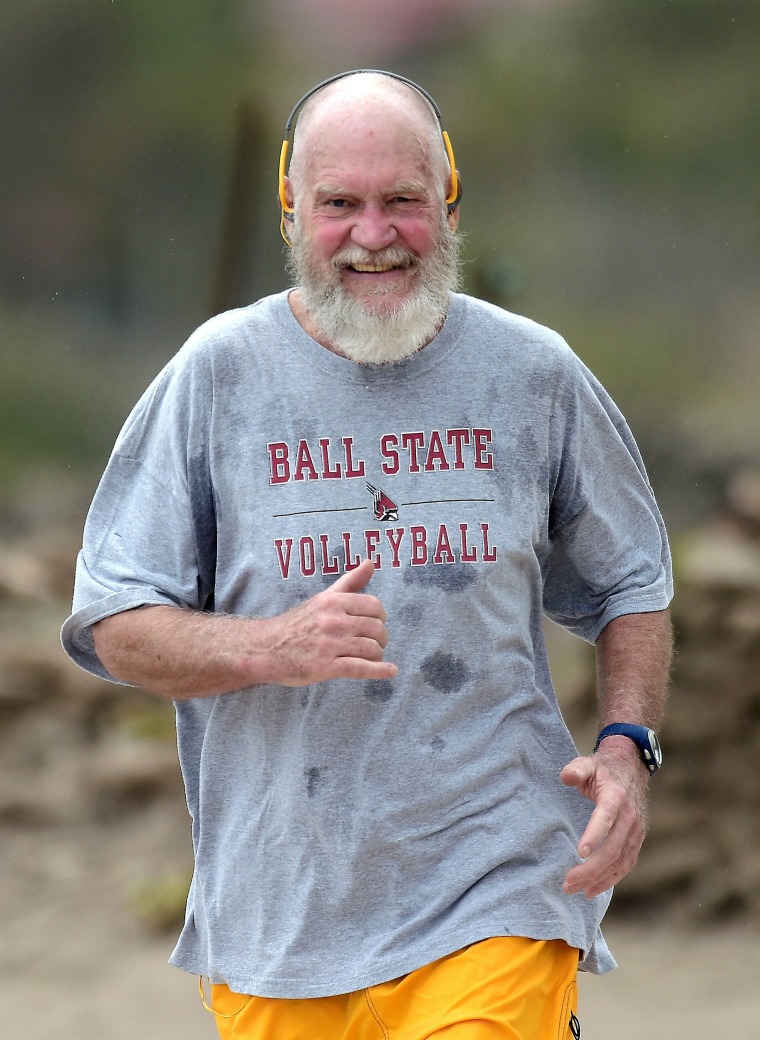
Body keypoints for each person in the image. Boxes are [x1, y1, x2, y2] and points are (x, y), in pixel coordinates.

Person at [62, 69, 673, 1040]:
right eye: (340, 204)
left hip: (496, 876)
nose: (375, 233)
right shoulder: (216, 376)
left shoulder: (535, 373)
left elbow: (630, 577)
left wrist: (626, 746)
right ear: (290, 213)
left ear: (450, 200)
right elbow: (113, 623)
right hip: (282, 911)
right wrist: (269, 646)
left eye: (404, 202)